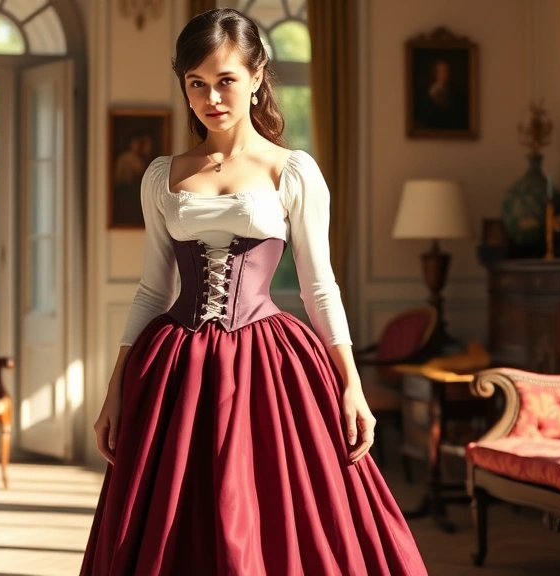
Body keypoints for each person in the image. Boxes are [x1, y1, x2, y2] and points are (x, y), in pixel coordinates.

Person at [81, 8, 429, 575]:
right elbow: (152, 289)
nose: (211, 98)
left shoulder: (291, 171)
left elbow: (320, 286)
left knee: (270, 513)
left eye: (226, 80)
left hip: (267, 363)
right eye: (196, 84)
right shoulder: (162, 175)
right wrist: (115, 390)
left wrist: (352, 385)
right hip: (177, 369)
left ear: (257, 75)